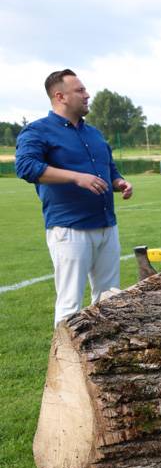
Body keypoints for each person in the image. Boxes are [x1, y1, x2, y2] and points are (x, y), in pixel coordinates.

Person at [15, 69, 134, 327]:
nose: (87, 94)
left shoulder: (94, 133)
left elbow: (109, 167)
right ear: (61, 96)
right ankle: (65, 365)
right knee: (70, 305)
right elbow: (26, 167)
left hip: (106, 225)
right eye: (80, 90)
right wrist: (75, 177)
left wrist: (119, 181)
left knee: (110, 299)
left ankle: (103, 361)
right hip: (69, 229)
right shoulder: (37, 131)